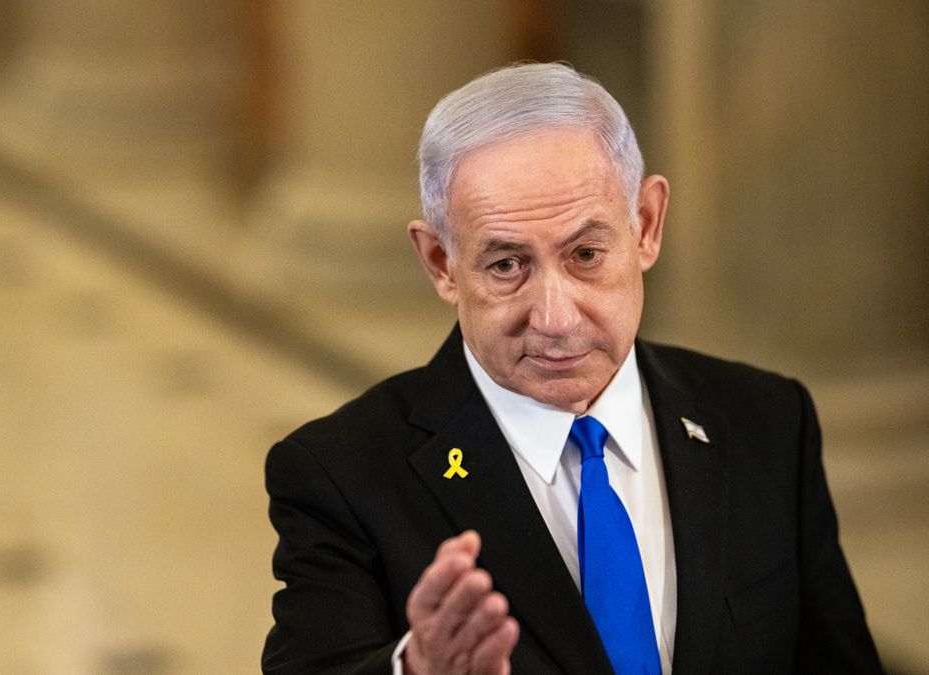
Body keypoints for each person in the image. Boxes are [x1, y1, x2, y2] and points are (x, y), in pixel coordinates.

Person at [262, 63, 881, 675]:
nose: (556, 319)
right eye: (507, 265)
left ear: (646, 225)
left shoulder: (767, 420)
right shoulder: (339, 474)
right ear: (441, 263)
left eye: (586, 254)